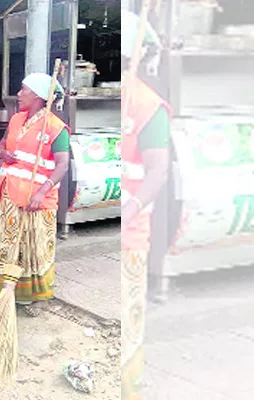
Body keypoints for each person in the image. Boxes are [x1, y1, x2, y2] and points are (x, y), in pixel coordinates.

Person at [120, 9, 172, 400]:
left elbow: (158, 171)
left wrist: (132, 206)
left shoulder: (148, 106)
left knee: (129, 327)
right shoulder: (122, 101)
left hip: (132, 234)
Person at [0, 73, 71, 306]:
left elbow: (63, 164)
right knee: (7, 244)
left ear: (37, 96)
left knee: (34, 248)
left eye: (23, 89)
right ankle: (5, 292)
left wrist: (41, 192)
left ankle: (37, 298)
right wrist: (2, 152)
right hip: (10, 195)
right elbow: (2, 144)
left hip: (37, 200)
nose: (18, 94)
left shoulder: (56, 128)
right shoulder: (17, 119)